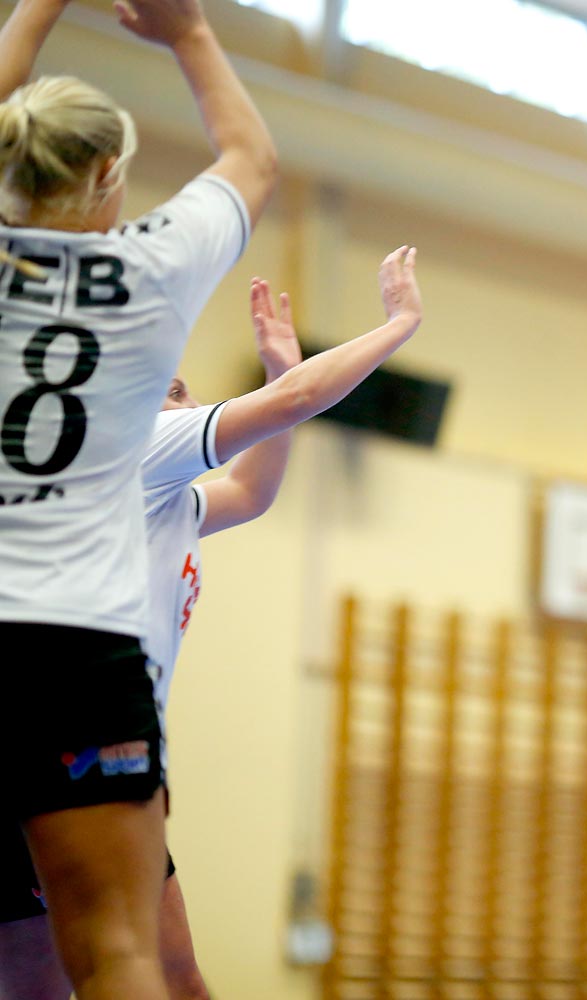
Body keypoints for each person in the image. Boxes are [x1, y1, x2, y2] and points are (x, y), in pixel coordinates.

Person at [0, 245, 424, 999]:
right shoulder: (132, 457)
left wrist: (275, 374)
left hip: (102, 756)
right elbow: (296, 405)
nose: (183, 391)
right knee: (74, 981)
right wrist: (397, 325)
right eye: (165, 386)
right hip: (59, 749)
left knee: (171, 979)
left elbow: (255, 489)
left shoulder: (171, 502)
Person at [0, 0, 277, 996]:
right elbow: (250, 157)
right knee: (116, 948)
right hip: (75, 642)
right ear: (112, 179)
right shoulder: (151, 268)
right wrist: (188, 33)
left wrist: (37, 8)